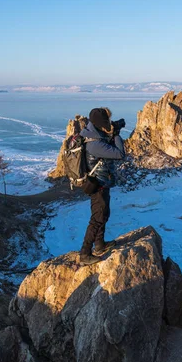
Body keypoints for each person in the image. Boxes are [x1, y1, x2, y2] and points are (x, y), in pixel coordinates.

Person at [78, 107, 126, 265]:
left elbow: (107, 144)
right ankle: (85, 253)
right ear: (101, 122)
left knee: (104, 214)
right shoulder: (94, 144)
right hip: (97, 185)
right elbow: (119, 154)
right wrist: (117, 134)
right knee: (97, 218)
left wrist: (112, 132)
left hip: (102, 182)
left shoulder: (94, 134)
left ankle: (99, 245)